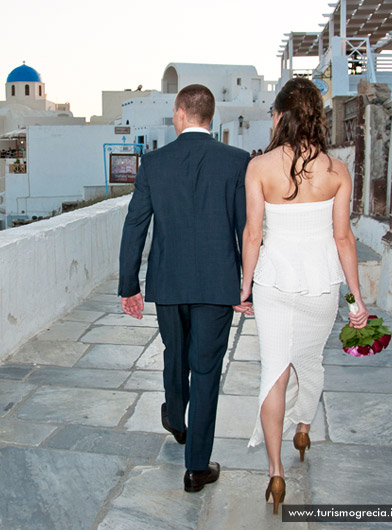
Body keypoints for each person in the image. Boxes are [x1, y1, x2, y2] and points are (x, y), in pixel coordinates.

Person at [239, 78, 369, 514]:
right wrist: (357, 299)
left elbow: (253, 233)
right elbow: (344, 238)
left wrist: (244, 286)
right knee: (309, 363)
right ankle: (303, 428)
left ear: (281, 116)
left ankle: (276, 472)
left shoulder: (259, 167)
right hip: (320, 287)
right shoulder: (337, 171)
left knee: (274, 373)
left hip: (273, 285)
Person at [118, 84, 252, 493]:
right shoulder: (236, 161)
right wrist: (248, 288)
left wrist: (129, 285)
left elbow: (135, 224)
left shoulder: (154, 163)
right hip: (218, 283)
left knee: (175, 354)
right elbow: (247, 228)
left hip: (169, 281)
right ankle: (196, 468)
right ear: (211, 117)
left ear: (180, 114)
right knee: (207, 369)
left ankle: (175, 418)